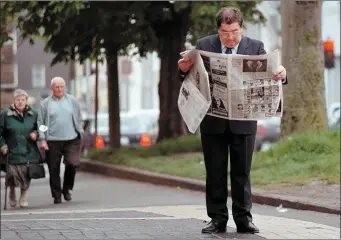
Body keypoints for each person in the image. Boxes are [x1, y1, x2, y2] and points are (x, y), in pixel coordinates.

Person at [178, 7, 288, 234]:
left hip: (244, 121)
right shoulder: (204, 45)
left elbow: (272, 75)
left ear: (241, 27)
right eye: (225, 32)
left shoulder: (255, 47)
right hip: (212, 120)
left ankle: (243, 218)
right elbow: (192, 78)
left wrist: (281, 74)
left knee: (241, 172)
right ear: (218, 30)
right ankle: (217, 218)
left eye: (234, 31)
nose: (230, 37)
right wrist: (183, 70)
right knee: (215, 171)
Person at [38, 77, 84, 204]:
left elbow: (79, 117)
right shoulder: (46, 104)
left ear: (65, 87)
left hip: (72, 139)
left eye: (61, 86)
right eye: (56, 87)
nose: (59, 89)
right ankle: (56, 195)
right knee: (54, 168)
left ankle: (67, 189)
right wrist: (42, 139)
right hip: (52, 140)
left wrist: (80, 131)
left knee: (72, 164)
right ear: (52, 87)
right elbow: (41, 123)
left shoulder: (72, 101)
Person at [0, 89, 40, 208]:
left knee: (26, 174)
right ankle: (12, 192)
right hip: (12, 149)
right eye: (18, 99)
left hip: (28, 149)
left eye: (23, 99)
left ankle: (24, 195)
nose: (20, 102)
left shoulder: (34, 114)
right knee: (12, 174)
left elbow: (43, 127)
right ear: (14, 100)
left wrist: (36, 133)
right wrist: (2, 145)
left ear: (26, 101)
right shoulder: (5, 114)